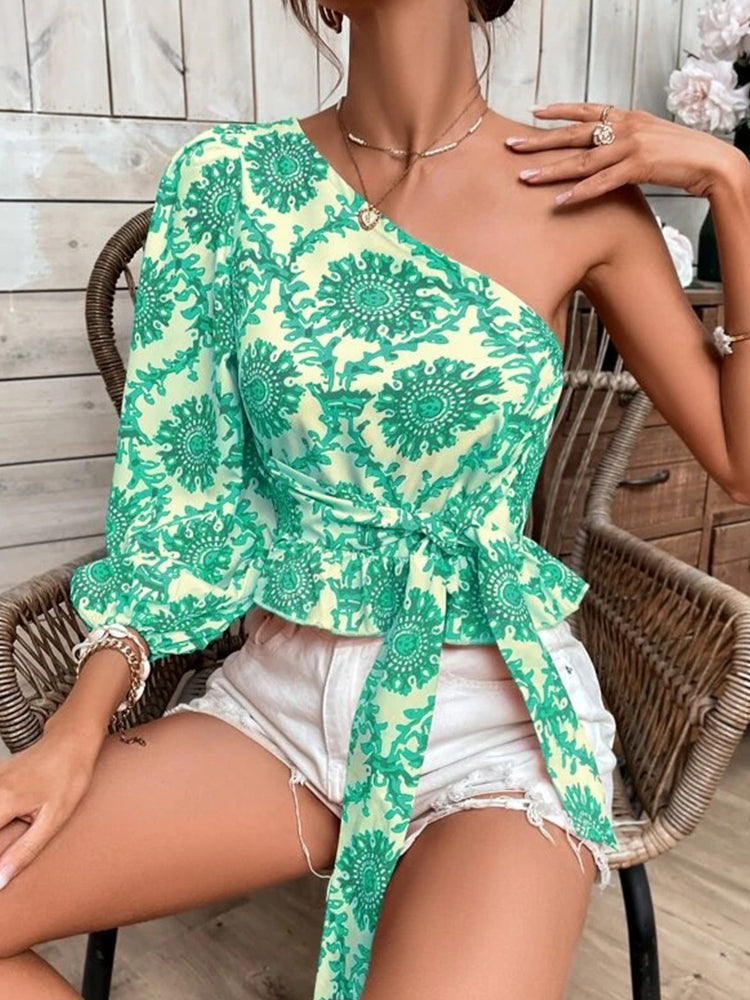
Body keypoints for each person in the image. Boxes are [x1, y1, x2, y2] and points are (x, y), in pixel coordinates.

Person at [2, 1, 749, 997]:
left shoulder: (578, 195)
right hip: (277, 700)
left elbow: (738, 459)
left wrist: (732, 185)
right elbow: (180, 504)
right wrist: (75, 728)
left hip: (496, 716)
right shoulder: (226, 187)